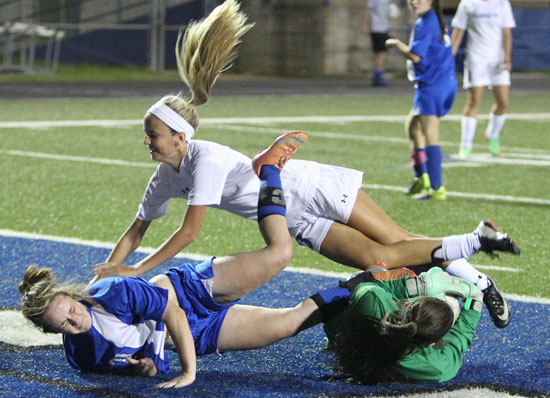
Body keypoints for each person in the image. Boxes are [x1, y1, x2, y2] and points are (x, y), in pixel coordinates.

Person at [93, 0, 518, 329]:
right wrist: (105, 282)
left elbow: (189, 233)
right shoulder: (164, 177)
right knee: (382, 260)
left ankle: (479, 280)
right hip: (294, 219)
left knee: (399, 239)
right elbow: (137, 228)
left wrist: (137, 269)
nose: (146, 141)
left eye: (152, 134)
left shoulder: (203, 158)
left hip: (309, 185)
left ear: (180, 137)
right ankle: (472, 260)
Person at [318, 266, 484, 383]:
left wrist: (416, 286)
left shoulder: (374, 302)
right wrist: (475, 300)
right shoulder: (438, 367)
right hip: (351, 359)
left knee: (380, 268)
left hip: (339, 334)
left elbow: (364, 283)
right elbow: (461, 336)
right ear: (431, 344)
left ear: (407, 305)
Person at [385, 0, 456, 200]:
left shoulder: (425, 22)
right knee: (412, 128)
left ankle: (436, 188)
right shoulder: (434, 18)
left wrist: (395, 43)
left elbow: (416, 56)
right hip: (444, 81)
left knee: (430, 135)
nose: (414, 2)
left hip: (433, 85)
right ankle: (421, 176)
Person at [451, 0, 516, 158]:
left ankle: (492, 134)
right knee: (474, 101)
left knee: (503, 103)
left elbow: (506, 32)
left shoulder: (501, 4)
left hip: (498, 61)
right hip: (476, 58)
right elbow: (458, 31)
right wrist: (449, 56)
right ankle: (465, 146)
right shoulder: (467, 4)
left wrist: (507, 58)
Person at [363, 0, 395, 86]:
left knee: (378, 52)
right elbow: (368, 10)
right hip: (377, 28)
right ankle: (378, 74)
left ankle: (377, 73)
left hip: (383, 27)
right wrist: (366, 25)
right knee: (382, 52)